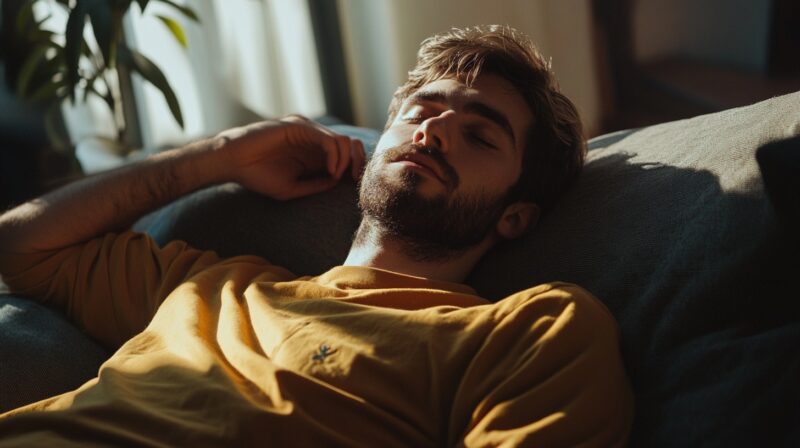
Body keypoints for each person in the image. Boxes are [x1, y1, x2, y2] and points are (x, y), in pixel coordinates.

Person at [0, 25, 633, 446]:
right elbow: (20, 247)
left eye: (480, 135)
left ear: (514, 215)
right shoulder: (217, 285)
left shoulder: (529, 331)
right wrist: (217, 155)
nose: (433, 133)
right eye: (422, 112)